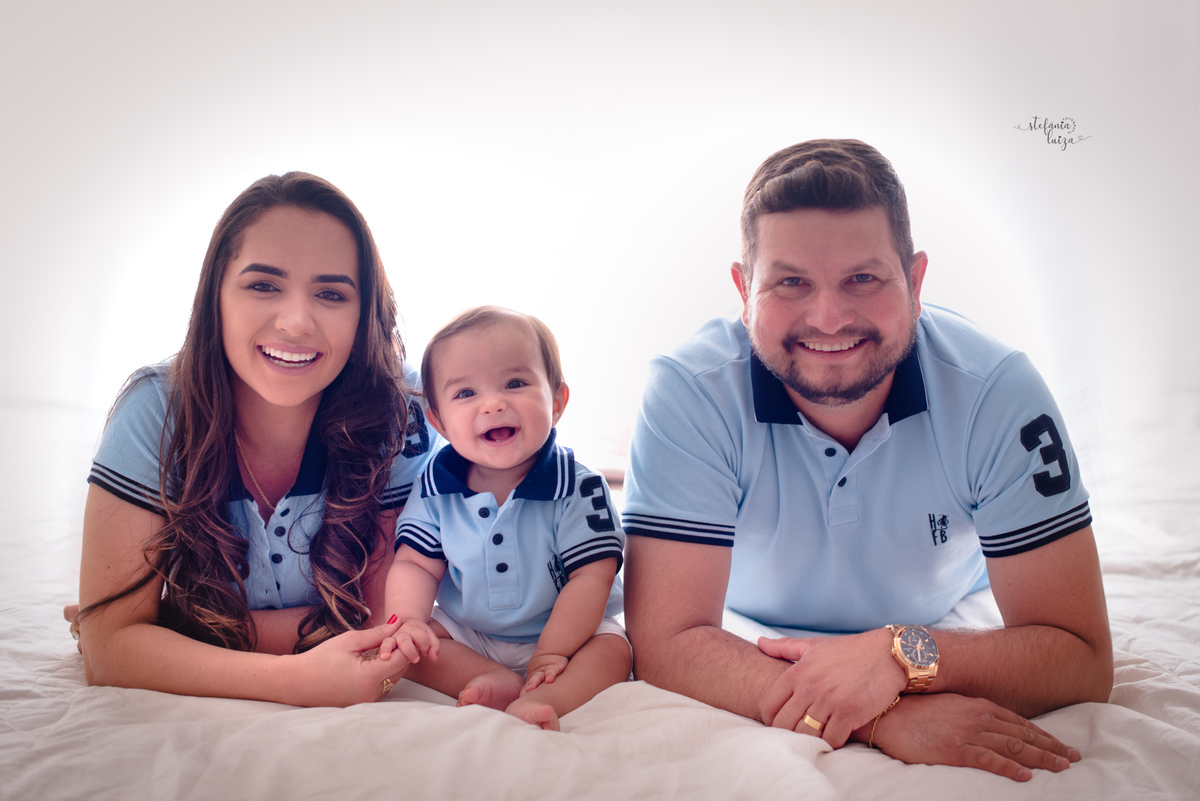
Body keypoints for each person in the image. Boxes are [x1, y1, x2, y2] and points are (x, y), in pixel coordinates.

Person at [621, 139, 1113, 781]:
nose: (828, 318)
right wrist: (881, 716)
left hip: (940, 600)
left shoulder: (1000, 392)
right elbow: (666, 643)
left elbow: (1081, 657)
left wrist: (902, 652)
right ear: (743, 290)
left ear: (915, 281)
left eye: (863, 278)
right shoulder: (687, 391)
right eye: (790, 282)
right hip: (749, 608)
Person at [69, 172, 434, 706]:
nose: (296, 322)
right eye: (263, 285)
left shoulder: (398, 410)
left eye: (331, 294)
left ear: (364, 315)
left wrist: (175, 626)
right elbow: (108, 651)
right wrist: (295, 679)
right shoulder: (156, 409)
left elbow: (382, 625)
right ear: (215, 295)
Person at [378, 306, 630, 730]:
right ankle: (488, 677)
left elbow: (592, 577)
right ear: (438, 422)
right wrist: (409, 620)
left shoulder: (577, 486)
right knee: (413, 649)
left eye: (515, 383)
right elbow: (415, 565)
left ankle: (548, 695)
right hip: (471, 633)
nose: (493, 404)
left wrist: (552, 652)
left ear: (556, 402)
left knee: (614, 651)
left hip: (569, 633)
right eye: (466, 393)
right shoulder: (434, 488)